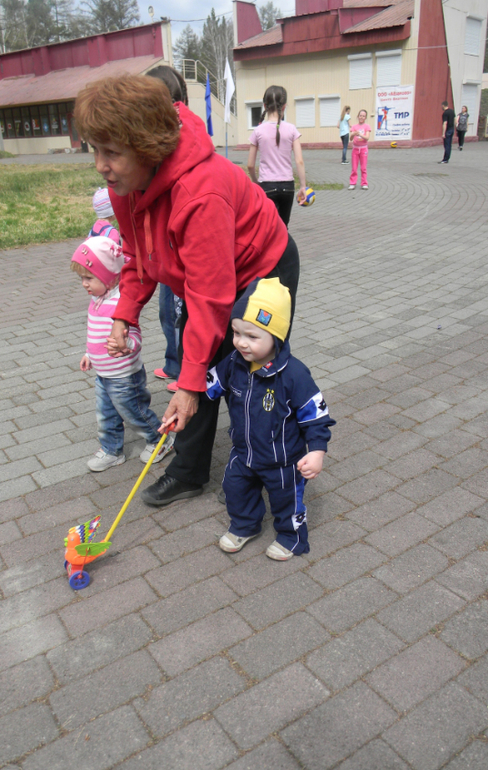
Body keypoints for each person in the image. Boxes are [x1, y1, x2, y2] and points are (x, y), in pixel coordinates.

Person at [74, 74, 300, 506]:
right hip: (212, 275)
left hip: (264, 265)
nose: (101, 165)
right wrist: (125, 314)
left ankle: (266, 467)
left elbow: (210, 299)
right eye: (95, 150)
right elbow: (139, 254)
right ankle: (189, 472)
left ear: (147, 148)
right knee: (196, 363)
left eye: (112, 153)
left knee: (250, 367)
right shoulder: (126, 186)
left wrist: (191, 381)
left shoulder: (200, 192)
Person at [206, 277, 334, 560]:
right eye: (236, 333)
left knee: (287, 502)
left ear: (276, 337)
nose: (241, 342)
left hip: (283, 461)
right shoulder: (234, 362)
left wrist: (317, 451)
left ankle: (291, 537)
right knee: (235, 489)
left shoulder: (294, 375)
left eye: (252, 337)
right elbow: (210, 384)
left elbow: (316, 417)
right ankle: (245, 525)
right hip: (244, 453)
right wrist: (190, 393)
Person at [70, 235, 175, 472]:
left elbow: (135, 336)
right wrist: (89, 354)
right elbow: (95, 332)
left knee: (135, 413)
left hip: (125, 377)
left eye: (89, 278)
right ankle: (111, 450)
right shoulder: (96, 300)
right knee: (106, 414)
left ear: (110, 275)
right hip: (103, 374)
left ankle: (160, 440)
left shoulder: (121, 303)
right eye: (81, 279)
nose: (84, 284)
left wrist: (127, 344)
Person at [147, 65, 190, 394]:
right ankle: (175, 363)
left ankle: (189, 373)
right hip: (167, 250)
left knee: (183, 315)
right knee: (168, 311)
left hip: (184, 251)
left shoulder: (183, 148)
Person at [247, 85, 308, 227]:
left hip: (267, 185)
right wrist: (303, 186)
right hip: (287, 186)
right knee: (283, 228)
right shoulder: (292, 129)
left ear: (264, 106)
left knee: (268, 228)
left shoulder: (258, 131)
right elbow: (299, 161)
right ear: (284, 106)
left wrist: (256, 182)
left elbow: (250, 165)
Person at [348, 109, 371, 190]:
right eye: (360, 115)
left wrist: (360, 134)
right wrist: (353, 134)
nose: (361, 117)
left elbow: (367, 137)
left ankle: (364, 183)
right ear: (358, 116)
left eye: (363, 116)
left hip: (363, 149)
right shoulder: (354, 127)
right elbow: (351, 139)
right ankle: (352, 183)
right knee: (354, 168)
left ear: (365, 118)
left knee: (363, 168)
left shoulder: (367, 126)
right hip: (355, 149)